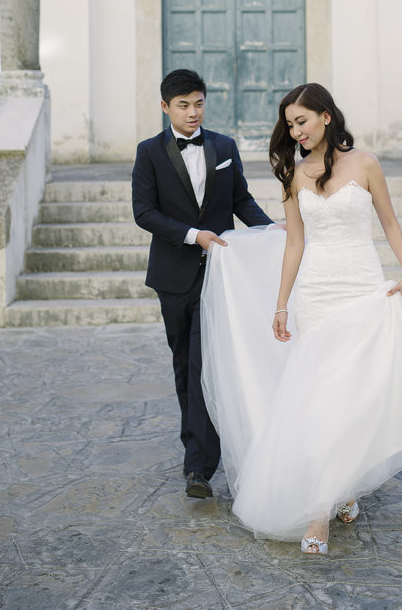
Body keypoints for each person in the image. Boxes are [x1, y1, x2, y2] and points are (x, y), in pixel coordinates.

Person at [201, 83, 402, 553]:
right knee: (321, 400)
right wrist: (281, 303)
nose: (295, 132)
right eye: (290, 125)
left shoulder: (366, 163)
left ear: (326, 118)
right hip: (316, 295)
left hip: (361, 287)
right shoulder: (294, 176)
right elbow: (294, 244)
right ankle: (319, 514)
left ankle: (345, 484)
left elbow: (389, 221)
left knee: (356, 397)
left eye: (302, 121)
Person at [132, 69, 273, 499]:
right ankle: (197, 452)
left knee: (209, 363)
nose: (193, 112)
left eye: (198, 103)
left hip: (222, 275)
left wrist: (272, 232)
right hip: (174, 276)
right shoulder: (149, 152)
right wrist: (195, 237)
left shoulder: (224, 146)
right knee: (185, 363)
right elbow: (144, 212)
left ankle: (199, 468)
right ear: (164, 107)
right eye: (183, 105)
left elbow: (240, 201)